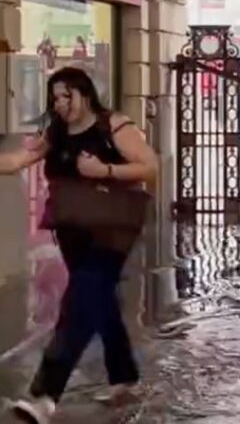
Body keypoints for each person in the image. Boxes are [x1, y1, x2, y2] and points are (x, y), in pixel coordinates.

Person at [0, 67, 159, 423]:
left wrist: (104, 171)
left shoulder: (113, 125)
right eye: (55, 98)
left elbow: (149, 167)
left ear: (84, 93)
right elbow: (18, 160)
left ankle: (44, 396)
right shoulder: (55, 133)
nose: (60, 104)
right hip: (73, 230)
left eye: (66, 96)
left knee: (78, 304)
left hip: (114, 230)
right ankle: (124, 376)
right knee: (97, 299)